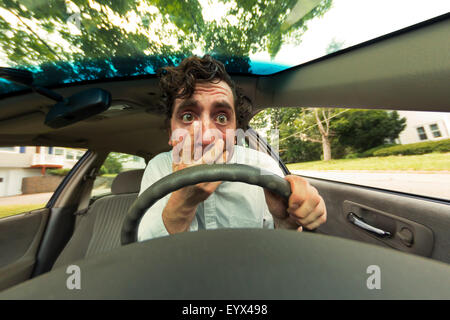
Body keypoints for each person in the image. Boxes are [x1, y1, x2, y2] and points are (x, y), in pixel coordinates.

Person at [137, 55, 326, 241]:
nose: (206, 137)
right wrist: (183, 201)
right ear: (171, 130)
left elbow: (282, 249)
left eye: (221, 118)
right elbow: (144, 256)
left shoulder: (263, 166)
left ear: (235, 130)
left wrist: (287, 224)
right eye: (188, 117)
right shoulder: (158, 168)